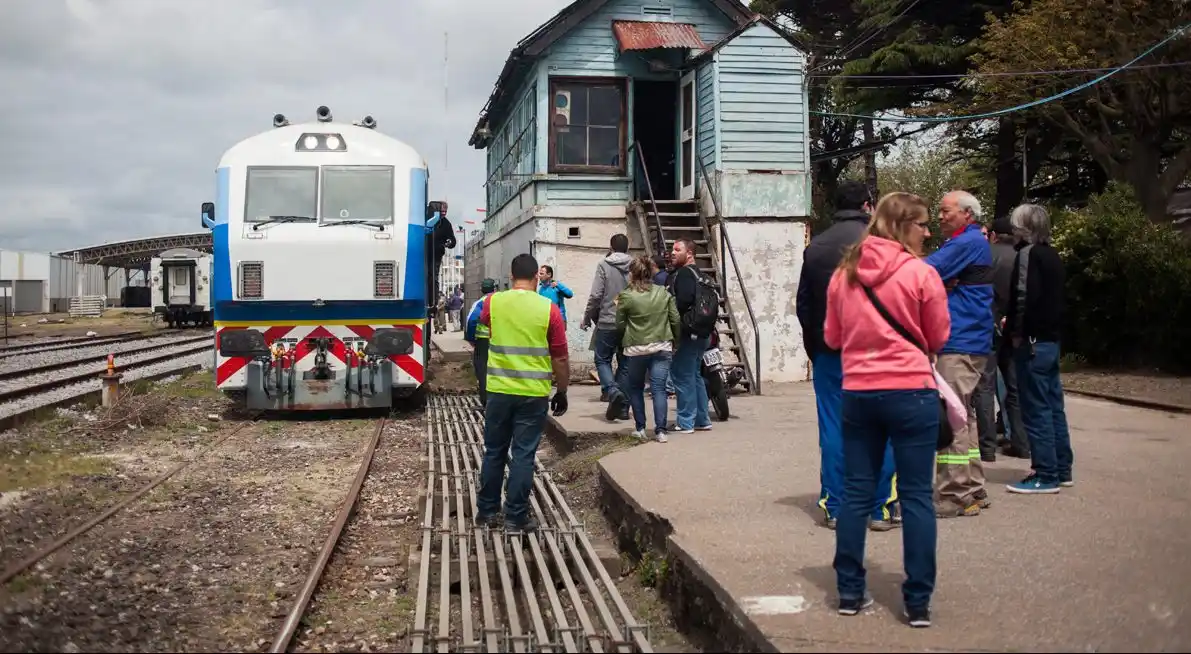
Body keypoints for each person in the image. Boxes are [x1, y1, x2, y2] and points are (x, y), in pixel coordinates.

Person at [824, 191, 950, 628]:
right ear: (902, 226)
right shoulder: (921, 273)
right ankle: (917, 602)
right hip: (911, 391)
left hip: (859, 392)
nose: (928, 233)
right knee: (916, 495)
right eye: (922, 224)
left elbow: (832, 337)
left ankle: (848, 592)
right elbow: (938, 336)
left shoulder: (844, 275)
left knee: (856, 492)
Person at [797, 180, 900, 531]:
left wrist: (816, 347)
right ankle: (880, 508)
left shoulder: (816, 248)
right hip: (877, 351)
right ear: (868, 206)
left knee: (834, 427)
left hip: (830, 351)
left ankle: (837, 506)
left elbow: (804, 306)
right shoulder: (883, 245)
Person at [475, 254, 570, 532]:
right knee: (523, 455)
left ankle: (487, 513)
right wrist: (562, 390)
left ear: (511, 274)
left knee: (494, 451)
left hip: (499, 390)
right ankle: (515, 518)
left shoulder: (492, 302)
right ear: (536, 276)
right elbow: (560, 357)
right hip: (533, 394)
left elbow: (486, 326)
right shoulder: (549, 309)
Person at [924, 190, 995, 518]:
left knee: (952, 416)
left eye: (945, 211)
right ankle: (973, 486)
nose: (939, 216)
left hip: (959, 341)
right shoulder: (971, 242)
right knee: (964, 415)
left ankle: (954, 495)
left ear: (967, 213)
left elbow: (923, 273)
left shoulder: (965, 243)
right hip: (971, 340)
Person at [1004, 204, 1074, 494]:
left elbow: (1023, 298)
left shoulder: (1028, 255)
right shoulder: (1052, 255)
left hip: (1031, 342)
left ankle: (1045, 474)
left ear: (1023, 228)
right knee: (1054, 407)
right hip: (1050, 340)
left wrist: (1014, 333)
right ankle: (1061, 469)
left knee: (1036, 410)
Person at [974, 217, 1029, 460]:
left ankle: (987, 448)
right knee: (1014, 387)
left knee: (985, 387)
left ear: (993, 235)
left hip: (988, 325)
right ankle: (1021, 443)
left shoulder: (985, 255)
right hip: (1014, 328)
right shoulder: (1022, 257)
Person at [616, 255, 681, 443]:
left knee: (635, 388)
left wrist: (621, 342)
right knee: (659, 389)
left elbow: (619, 324)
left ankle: (641, 428)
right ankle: (661, 431)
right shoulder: (663, 293)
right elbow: (675, 319)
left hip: (636, 348)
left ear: (632, 274)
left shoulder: (626, 295)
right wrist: (676, 341)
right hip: (662, 346)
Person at [582, 234, 632, 421]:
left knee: (602, 359)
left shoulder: (604, 265)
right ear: (628, 247)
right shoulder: (635, 266)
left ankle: (612, 391)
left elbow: (596, 295)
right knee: (625, 364)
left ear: (611, 247)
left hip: (607, 321)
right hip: (629, 323)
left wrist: (587, 317)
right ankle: (623, 409)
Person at [666, 239, 713, 434]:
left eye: (678, 249)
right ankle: (702, 419)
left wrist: (672, 328)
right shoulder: (700, 274)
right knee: (694, 375)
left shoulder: (685, 273)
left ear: (690, 254)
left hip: (688, 332)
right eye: (672, 249)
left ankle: (685, 422)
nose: (672, 252)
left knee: (682, 375)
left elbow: (682, 303)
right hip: (702, 332)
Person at [464, 278, 499, 408]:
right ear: (494, 288)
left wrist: (471, 339)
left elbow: (471, 321)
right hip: (501, 341)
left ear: (482, 290)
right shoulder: (501, 301)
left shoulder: (480, 303)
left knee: (483, 370)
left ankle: (486, 401)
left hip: (483, 342)